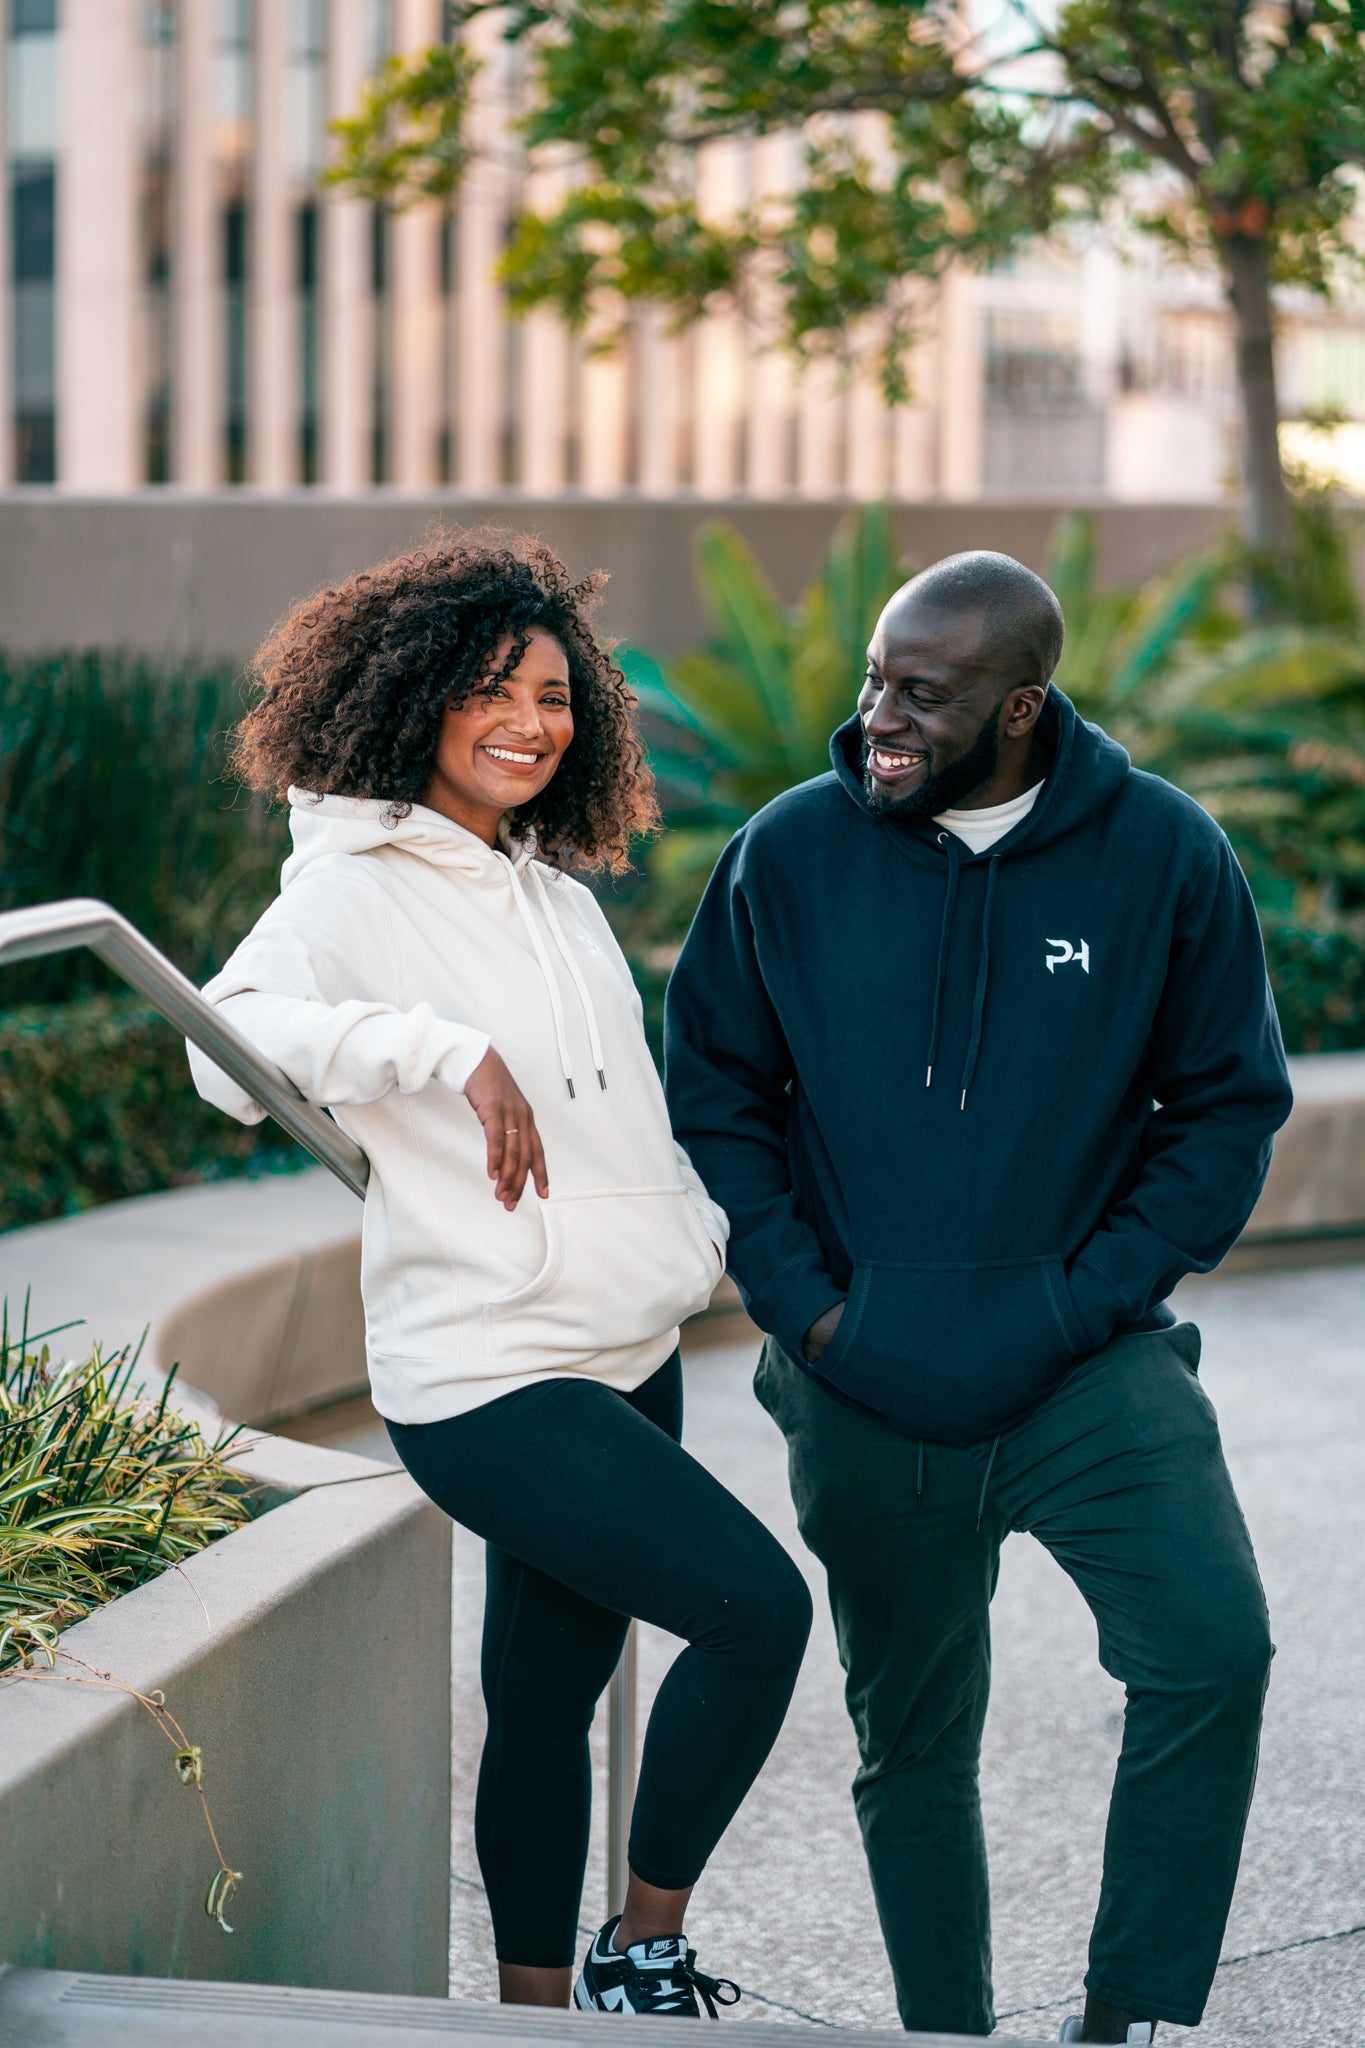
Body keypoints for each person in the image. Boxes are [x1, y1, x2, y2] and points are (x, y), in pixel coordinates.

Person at [664, 550, 1293, 2043]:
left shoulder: (1160, 851)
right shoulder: (788, 851)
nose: (875, 717)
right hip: (861, 1377)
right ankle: (947, 2033)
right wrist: (812, 1310)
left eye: (921, 694)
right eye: (874, 678)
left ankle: (1123, 2016)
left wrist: (1087, 1301)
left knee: (1212, 1652)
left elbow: (1224, 1107)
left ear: (1021, 705)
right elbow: (717, 1093)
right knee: (913, 1741)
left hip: (1088, 1371)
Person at [189, 531, 812, 2018]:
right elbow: (227, 1044)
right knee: (756, 1612)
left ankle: (533, 2014)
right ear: (413, 700)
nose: (529, 724)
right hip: (488, 1372)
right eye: (490, 689)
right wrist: (441, 1051)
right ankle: (640, 1951)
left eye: (552, 695)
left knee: (541, 1699)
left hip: (621, 1345)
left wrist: (691, 1230)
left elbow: (621, 1113)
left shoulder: (555, 895)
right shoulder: (349, 885)